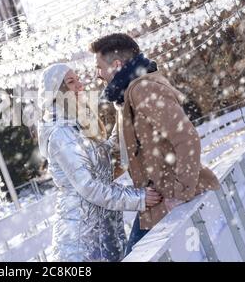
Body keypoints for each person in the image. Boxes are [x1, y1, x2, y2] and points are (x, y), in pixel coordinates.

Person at [89, 33, 220, 256]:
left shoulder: (143, 89)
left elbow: (186, 138)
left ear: (117, 65)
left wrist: (180, 192)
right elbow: (126, 155)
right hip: (155, 204)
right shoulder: (126, 97)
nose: (97, 74)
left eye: (99, 67)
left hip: (171, 199)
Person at [37, 63, 162, 261]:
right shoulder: (60, 133)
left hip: (104, 233)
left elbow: (108, 158)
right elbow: (89, 186)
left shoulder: (77, 124)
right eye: (71, 82)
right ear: (57, 92)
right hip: (81, 242)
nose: (80, 86)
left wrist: (123, 111)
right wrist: (139, 198)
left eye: (78, 80)